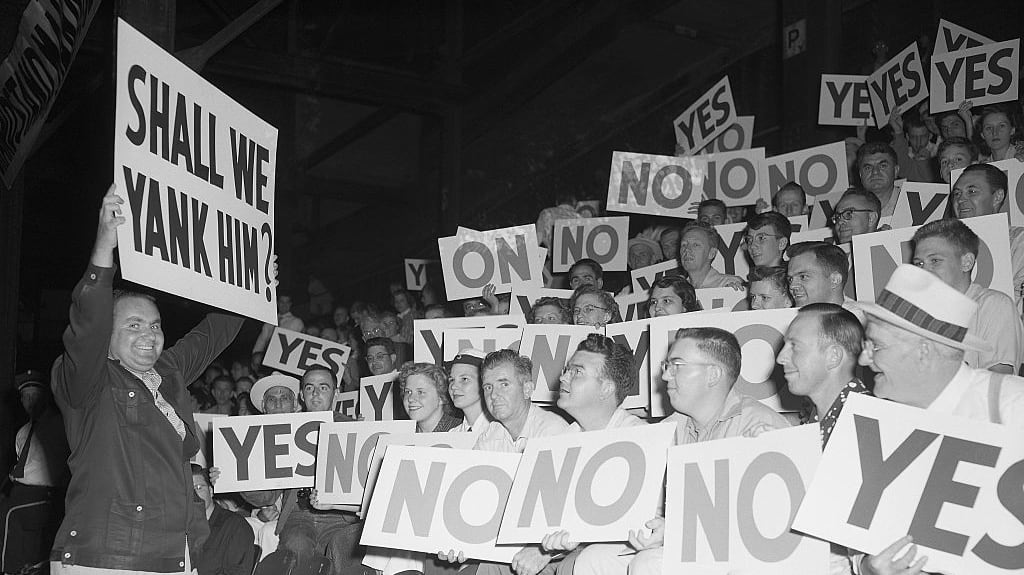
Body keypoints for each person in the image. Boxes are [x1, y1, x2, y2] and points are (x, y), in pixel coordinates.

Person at [50, 185, 246, 574]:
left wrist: (253, 284)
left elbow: (214, 332)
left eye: (155, 326)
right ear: (107, 336)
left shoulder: (168, 372)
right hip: (108, 558)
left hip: (175, 554)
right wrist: (105, 246)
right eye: (134, 325)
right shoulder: (88, 381)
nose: (149, 335)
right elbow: (86, 325)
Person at [855, 264, 1024, 575]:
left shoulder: (1014, 408)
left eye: (874, 345)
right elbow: (861, 540)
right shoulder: (880, 425)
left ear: (923, 351)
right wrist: (869, 569)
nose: (864, 359)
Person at [626, 327, 790, 575]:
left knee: (649, 565)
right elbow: (646, 505)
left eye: (677, 366)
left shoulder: (762, 429)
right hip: (691, 547)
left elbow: (769, 530)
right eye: (667, 366)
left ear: (713, 374)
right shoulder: (668, 428)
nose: (666, 376)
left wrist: (674, 534)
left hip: (744, 561)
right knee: (596, 559)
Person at [446, 350, 568, 575]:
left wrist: (541, 551)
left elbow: (564, 512)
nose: (494, 395)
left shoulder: (552, 432)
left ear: (528, 389)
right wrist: (458, 539)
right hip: (509, 541)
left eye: (504, 384)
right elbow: (474, 497)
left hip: (553, 548)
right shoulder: (490, 435)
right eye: (488, 387)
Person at [776, 304, 870, 575]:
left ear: (833, 357)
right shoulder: (815, 423)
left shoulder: (867, 427)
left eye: (795, 346)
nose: (781, 357)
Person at [543, 335, 647, 574]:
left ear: (606, 388)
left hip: (625, 552)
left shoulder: (640, 438)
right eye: (567, 370)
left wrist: (575, 537)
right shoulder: (559, 442)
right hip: (573, 549)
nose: (563, 377)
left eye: (577, 372)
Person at [910, 219, 1024, 373]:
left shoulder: (992, 305)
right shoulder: (913, 312)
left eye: (935, 261)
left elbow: (998, 382)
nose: (924, 271)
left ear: (967, 262)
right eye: (919, 264)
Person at [1, 370, 70, 575]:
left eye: (35, 396)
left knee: (8, 512)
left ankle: (8, 569)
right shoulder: (22, 432)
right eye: (25, 397)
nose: (30, 402)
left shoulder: (60, 425)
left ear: (46, 397)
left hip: (47, 493)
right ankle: (26, 563)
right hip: (20, 490)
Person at [951, 163, 1024, 309]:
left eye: (971, 191)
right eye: (957, 194)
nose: (960, 200)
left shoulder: (1019, 242)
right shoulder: (941, 244)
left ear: (997, 197)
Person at [192, 465, 255, 575]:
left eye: (199, 488)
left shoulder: (235, 527)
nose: (193, 495)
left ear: (211, 491)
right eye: (186, 491)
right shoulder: (177, 529)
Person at [786, 242, 857, 316]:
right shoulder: (788, 320)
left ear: (835, 280)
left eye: (803, 277)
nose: (792, 286)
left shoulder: (863, 323)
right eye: (790, 279)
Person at [398, 362, 462, 432]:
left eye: (420, 392)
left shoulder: (461, 431)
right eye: (408, 392)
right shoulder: (401, 435)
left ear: (441, 397)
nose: (410, 399)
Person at [678, 222, 743, 289]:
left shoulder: (729, 284)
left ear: (712, 253)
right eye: (684, 245)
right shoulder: (677, 289)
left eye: (695, 245)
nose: (687, 250)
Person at [446, 349, 490, 436]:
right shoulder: (452, 435)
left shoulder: (501, 433)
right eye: (451, 380)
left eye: (464, 379)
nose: (453, 386)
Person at [856, 141, 900, 217]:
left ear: (896, 171)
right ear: (860, 175)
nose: (875, 172)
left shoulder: (913, 203)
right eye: (868, 168)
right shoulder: (851, 209)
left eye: (882, 166)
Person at [890, 112, 937, 183]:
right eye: (914, 137)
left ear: (930, 135)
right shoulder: (903, 153)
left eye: (923, 136)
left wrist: (925, 162)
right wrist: (898, 131)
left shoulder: (938, 153)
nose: (919, 142)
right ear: (907, 137)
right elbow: (902, 170)